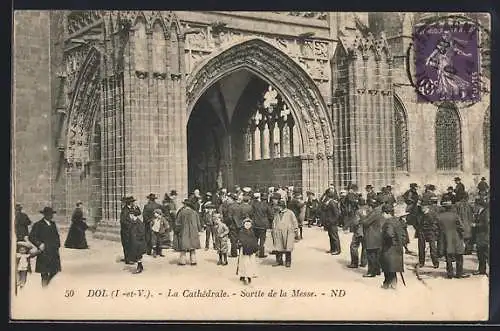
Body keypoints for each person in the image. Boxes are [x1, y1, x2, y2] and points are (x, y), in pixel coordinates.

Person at [28, 207, 61, 287]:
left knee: (55, 270)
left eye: (52, 214)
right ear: (45, 215)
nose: (51, 216)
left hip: (53, 251)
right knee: (44, 272)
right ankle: (44, 288)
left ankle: (47, 283)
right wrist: (39, 244)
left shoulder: (53, 224)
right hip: (44, 252)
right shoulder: (38, 224)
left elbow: (56, 236)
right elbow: (32, 236)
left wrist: (57, 244)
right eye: (49, 214)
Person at [436, 200, 470, 279]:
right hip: (456, 238)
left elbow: (436, 228)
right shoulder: (455, 216)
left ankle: (450, 274)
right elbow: (461, 227)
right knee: (459, 256)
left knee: (448, 256)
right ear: (451, 207)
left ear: (443, 207)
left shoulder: (439, 217)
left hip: (445, 238)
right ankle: (459, 273)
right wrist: (464, 235)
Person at [271, 193, 299, 267]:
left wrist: (296, 230)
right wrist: (273, 229)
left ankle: (288, 261)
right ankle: (279, 261)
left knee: (288, 248)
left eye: (279, 207)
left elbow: (294, 221)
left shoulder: (290, 213)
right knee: (278, 247)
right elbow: (274, 221)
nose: (278, 208)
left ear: (283, 207)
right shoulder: (277, 213)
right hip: (278, 232)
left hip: (288, 232)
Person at [380, 204, 404, 289]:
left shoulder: (388, 222)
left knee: (387, 266)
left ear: (386, 213)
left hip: (389, 248)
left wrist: (386, 241)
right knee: (392, 267)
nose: (382, 215)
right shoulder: (397, 220)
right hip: (397, 248)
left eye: (383, 213)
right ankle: (393, 284)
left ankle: (387, 284)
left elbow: (389, 234)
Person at [175, 197, 203, 266]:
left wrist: (177, 230)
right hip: (193, 231)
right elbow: (198, 223)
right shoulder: (194, 213)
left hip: (184, 231)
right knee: (192, 247)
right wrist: (199, 230)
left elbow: (178, 223)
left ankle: (182, 261)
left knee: (183, 247)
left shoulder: (181, 212)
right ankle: (193, 261)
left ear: (185, 205)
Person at [361, 199, 384, 277]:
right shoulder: (376, 212)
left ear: (370, 206)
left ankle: (371, 272)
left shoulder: (373, 213)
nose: (367, 208)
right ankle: (377, 270)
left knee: (371, 255)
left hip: (371, 236)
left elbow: (365, 222)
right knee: (375, 254)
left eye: (368, 206)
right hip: (376, 236)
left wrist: (363, 216)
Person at [250, 192, 273, 258]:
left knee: (256, 238)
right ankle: (261, 253)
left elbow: (251, 213)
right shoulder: (266, 205)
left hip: (255, 224)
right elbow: (271, 215)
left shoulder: (254, 205)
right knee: (262, 239)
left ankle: (255, 252)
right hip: (263, 224)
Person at [237, 218, 259, 285]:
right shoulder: (241, 231)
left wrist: (255, 247)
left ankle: (249, 275)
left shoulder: (252, 231)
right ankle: (243, 275)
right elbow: (241, 239)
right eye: (246, 224)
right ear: (243, 225)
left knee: (250, 263)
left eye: (249, 224)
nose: (247, 226)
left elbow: (255, 240)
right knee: (243, 263)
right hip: (244, 250)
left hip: (251, 250)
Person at [347, 198, 368, 268]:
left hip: (359, 231)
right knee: (365, 247)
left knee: (354, 246)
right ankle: (364, 262)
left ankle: (354, 262)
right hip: (367, 231)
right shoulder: (369, 210)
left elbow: (356, 222)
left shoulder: (358, 211)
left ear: (358, 205)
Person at [420, 197, 440, 268]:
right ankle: (421, 262)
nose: (422, 208)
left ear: (427, 207)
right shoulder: (420, 214)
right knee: (421, 247)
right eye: (421, 207)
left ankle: (435, 262)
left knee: (433, 248)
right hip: (422, 231)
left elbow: (436, 223)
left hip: (431, 231)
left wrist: (435, 232)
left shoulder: (432, 214)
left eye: (423, 207)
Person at [321, 190, 341, 255]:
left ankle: (337, 250)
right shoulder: (328, 202)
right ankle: (333, 249)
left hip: (332, 222)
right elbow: (323, 208)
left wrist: (333, 221)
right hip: (329, 222)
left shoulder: (332, 202)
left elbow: (337, 214)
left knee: (334, 236)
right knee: (331, 236)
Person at [473, 197, 489, 276]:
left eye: (475, 205)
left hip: (484, 236)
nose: (474, 206)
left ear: (479, 205)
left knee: (485, 254)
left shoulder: (485, 212)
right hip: (480, 236)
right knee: (480, 254)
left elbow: (486, 224)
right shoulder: (480, 212)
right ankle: (481, 270)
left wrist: (476, 225)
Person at [129, 208, 146, 274]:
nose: (129, 216)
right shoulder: (133, 221)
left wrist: (136, 238)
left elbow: (141, 233)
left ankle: (139, 267)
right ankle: (140, 266)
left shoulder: (139, 223)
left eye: (130, 215)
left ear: (133, 215)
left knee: (138, 255)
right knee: (137, 255)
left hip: (138, 242)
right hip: (134, 241)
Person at [120, 196, 136, 264]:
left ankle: (131, 258)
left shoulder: (132, 209)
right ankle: (128, 259)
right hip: (126, 231)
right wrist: (130, 224)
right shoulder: (125, 210)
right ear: (130, 203)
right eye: (133, 202)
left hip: (131, 230)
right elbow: (123, 221)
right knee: (126, 244)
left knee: (131, 244)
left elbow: (138, 213)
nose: (134, 203)